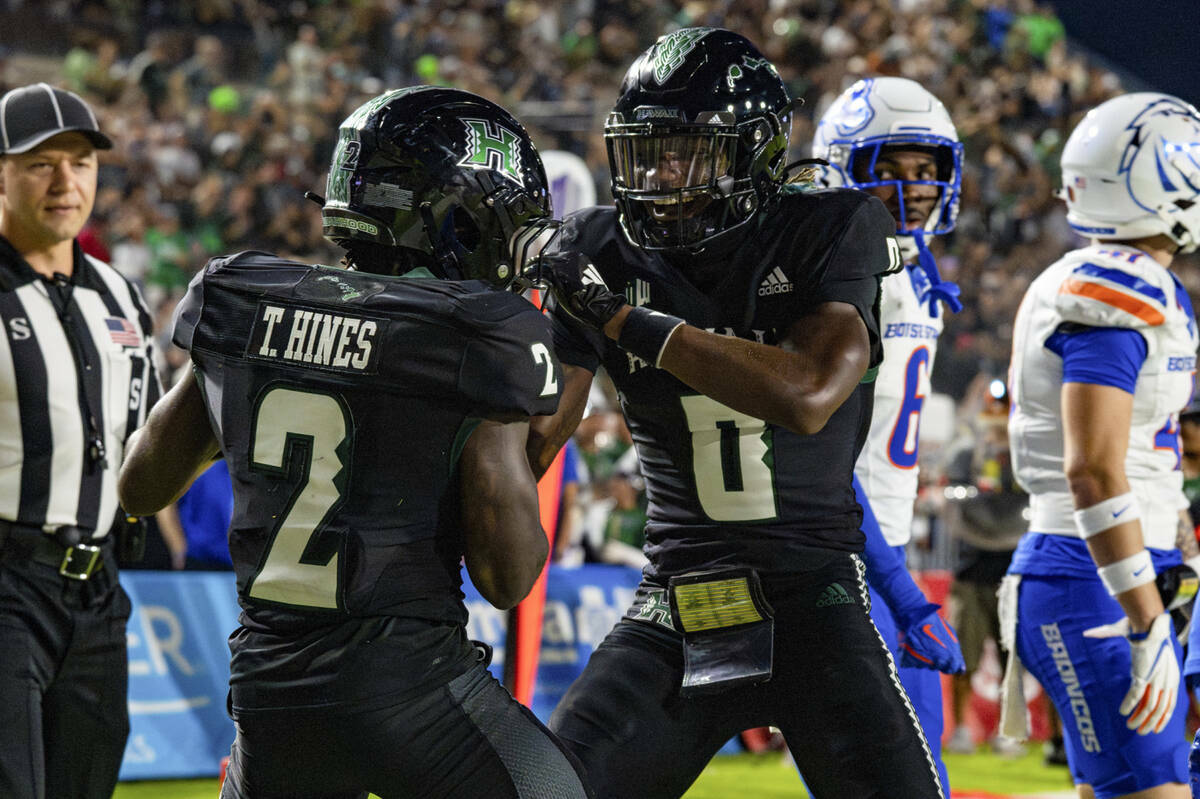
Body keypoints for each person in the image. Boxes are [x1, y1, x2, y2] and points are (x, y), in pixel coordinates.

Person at [118, 86, 591, 799]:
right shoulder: (479, 330)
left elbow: (141, 487)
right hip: (410, 691)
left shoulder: (239, 293)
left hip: (270, 702)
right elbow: (509, 576)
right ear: (457, 216)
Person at [528, 28, 945, 798]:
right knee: (551, 791)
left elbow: (809, 393)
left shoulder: (829, 225)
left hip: (814, 596)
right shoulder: (601, 248)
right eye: (646, 150)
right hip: (677, 601)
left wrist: (624, 321)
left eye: (689, 150)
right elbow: (536, 442)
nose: (662, 173)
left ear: (752, 154)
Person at [1003, 92, 1200, 799]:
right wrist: (1145, 615)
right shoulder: (1114, 289)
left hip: (1111, 573)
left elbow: (1143, 445)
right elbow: (1089, 467)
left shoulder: (1102, 277)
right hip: (1097, 581)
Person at [0, 83, 162, 799]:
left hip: (100, 588)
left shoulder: (120, 295)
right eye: (41, 163)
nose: (67, 182)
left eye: (81, 162)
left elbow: (151, 431)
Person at [811, 75, 968, 781]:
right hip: (847, 551)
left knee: (919, 768)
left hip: (882, 545)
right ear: (844, 170)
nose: (916, 187)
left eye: (927, 169)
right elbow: (825, 456)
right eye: (890, 170)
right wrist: (901, 589)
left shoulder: (914, 267)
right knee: (885, 775)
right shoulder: (839, 274)